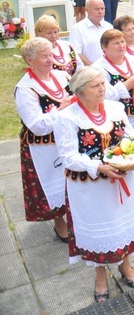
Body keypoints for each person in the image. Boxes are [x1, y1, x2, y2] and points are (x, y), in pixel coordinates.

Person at [55, 67, 134, 302]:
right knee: (100, 229)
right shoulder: (67, 117)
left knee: (123, 226)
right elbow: (68, 157)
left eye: (103, 84)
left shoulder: (115, 108)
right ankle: (100, 276)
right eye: (96, 86)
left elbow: (131, 135)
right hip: (90, 187)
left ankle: (126, 265)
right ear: (80, 91)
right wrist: (98, 166)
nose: (102, 89)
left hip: (121, 180)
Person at [15, 37, 73, 244]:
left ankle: (76, 217)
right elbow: (37, 125)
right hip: (42, 145)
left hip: (66, 137)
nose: (50, 59)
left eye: (51, 54)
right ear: (30, 61)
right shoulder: (25, 89)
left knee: (72, 178)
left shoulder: (60, 76)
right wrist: (62, 109)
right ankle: (59, 221)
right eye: (44, 56)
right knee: (52, 182)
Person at [93, 29, 134, 204]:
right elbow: (100, 96)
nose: (121, 46)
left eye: (122, 42)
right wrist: (125, 86)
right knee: (122, 149)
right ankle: (124, 188)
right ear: (104, 48)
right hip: (117, 119)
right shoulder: (98, 68)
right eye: (116, 43)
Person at [68, 0, 113, 66]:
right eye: (97, 9)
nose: (100, 12)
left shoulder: (108, 27)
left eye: (102, 9)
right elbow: (76, 53)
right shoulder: (78, 29)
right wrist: (93, 67)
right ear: (87, 10)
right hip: (88, 71)